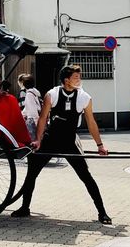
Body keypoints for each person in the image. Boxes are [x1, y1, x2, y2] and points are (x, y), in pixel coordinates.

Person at [11, 64, 112, 224]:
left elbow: (91, 122)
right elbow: (43, 118)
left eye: (79, 77)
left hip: (69, 141)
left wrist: (99, 145)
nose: (79, 80)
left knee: (86, 176)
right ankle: (25, 208)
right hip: (51, 140)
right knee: (32, 174)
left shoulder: (84, 97)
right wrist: (38, 140)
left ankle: (102, 213)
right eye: (76, 77)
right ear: (66, 80)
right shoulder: (52, 94)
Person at [20, 74, 41, 141]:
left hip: (32, 122)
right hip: (36, 120)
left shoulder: (29, 95)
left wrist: (35, 125)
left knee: (32, 142)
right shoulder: (35, 92)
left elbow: (32, 112)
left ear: (24, 84)